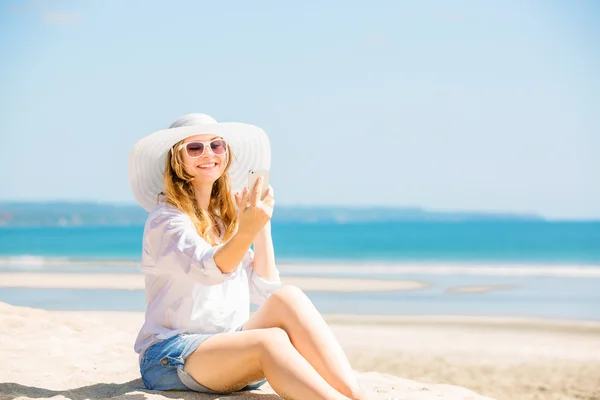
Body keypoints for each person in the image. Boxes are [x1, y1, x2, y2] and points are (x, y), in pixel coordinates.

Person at [128, 113, 369, 399]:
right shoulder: (167, 221)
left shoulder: (223, 220)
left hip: (228, 348)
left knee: (288, 297)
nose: (208, 154)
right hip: (171, 356)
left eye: (217, 145)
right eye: (194, 148)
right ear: (177, 160)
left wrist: (260, 226)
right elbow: (211, 269)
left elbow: (265, 290)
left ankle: (355, 395)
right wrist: (245, 231)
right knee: (271, 340)